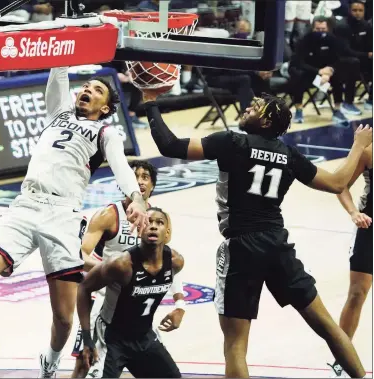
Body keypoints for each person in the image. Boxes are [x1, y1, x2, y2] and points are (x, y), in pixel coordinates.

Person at [0, 67, 149, 378]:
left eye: (97, 90)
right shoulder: (58, 114)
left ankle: (51, 361)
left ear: (106, 108)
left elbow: (121, 167)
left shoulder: (105, 133)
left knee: (63, 319)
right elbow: (58, 66)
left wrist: (136, 198)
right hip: (26, 205)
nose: (87, 91)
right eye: (85, 86)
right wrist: (63, 32)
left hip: (62, 215)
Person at [143, 88, 372, 378]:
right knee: (327, 327)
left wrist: (150, 102)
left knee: (235, 346)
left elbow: (170, 145)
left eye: (256, 107)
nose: (248, 106)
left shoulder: (232, 142)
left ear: (267, 122)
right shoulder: (289, 154)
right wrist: (358, 146)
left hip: (241, 247)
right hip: (277, 245)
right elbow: (339, 183)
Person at [70, 160, 186, 378]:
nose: (140, 182)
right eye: (134, 177)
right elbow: (79, 255)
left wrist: (180, 303)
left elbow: (168, 264)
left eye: (145, 177)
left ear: (152, 185)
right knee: (83, 361)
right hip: (103, 296)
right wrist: (110, 270)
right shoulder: (109, 215)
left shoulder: (157, 219)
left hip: (136, 307)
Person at [328, 144, 372, 378]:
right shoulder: (369, 151)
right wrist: (354, 212)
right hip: (370, 230)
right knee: (357, 294)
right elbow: (339, 184)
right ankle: (340, 362)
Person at [289, 16, 364, 124]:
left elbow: (337, 60)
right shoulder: (304, 41)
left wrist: (329, 72)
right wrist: (318, 72)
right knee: (297, 75)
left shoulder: (332, 40)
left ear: (327, 29)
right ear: (313, 28)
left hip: (325, 74)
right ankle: (299, 110)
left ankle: (337, 110)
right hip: (309, 72)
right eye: (317, 29)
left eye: (323, 29)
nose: (320, 32)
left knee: (338, 76)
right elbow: (298, 63)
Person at [334, 0, 373, 110]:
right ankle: (348, 102)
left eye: (360, 10)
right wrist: (367, 55)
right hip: (341, 60)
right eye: (354, 10)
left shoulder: (367, 26)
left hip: (361, 58)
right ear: (349, 11)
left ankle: (371, 99)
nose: (357, 13)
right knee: (353, 62)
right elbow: (345, 50)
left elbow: (371, 45)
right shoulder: (342, 26)